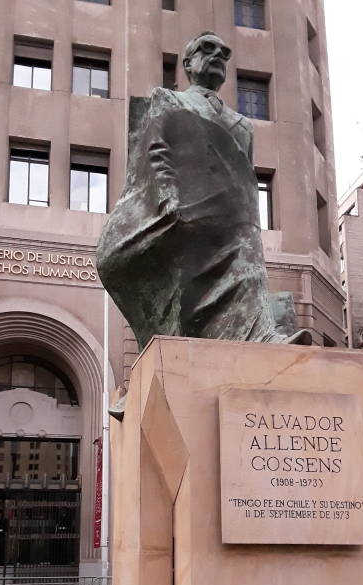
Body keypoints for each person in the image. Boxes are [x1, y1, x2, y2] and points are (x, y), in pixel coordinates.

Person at [97, 31, 310, 355]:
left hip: (232, 218)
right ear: (188, 63)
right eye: (206, 49)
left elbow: (245, 178)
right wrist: (167, 198)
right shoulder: (169, 100)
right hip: (184, 210)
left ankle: (262, 335)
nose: (217, 56)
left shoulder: (243, 124)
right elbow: (156, 151)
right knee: (230, 260)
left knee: (249, 262)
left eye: (224, 52)